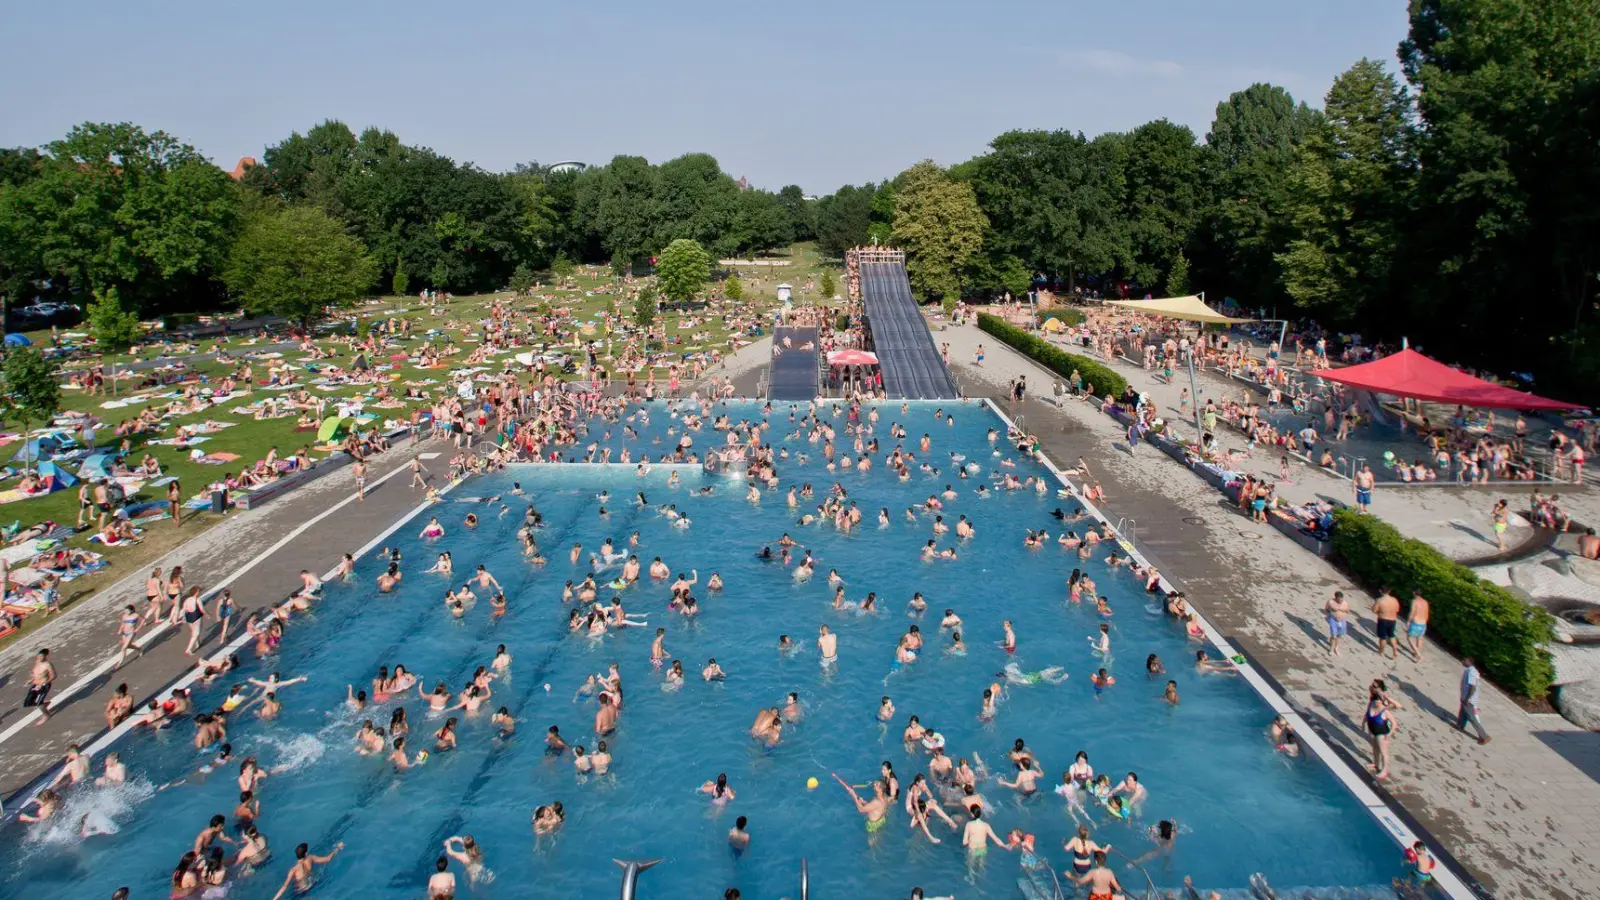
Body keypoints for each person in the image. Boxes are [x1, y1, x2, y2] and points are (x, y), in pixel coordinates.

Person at [271, 841, 344, 900]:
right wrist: (337, 848)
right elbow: (328, 859)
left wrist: (274, 899)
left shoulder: (293, 870)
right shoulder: (311, 858)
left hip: (301, 892)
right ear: (306, 854)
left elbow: (284, 886)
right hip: (313, 884)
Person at [1365, 679, 1403, 780]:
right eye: (1372, 685)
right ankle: (1376, 764)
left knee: (1383, 750)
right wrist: (1364, 721)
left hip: (1382, 724)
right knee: (1375, 748)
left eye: (1374, 686)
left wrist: (1388, 699)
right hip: (1373, 724)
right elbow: (1368, 709)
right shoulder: (1373, 695)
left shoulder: (1384, 698)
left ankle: (1385, 770)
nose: (1372, 687)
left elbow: (1398, 706)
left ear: (1379, 688)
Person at [1457, 657, 1491, 745]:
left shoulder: (1471, 672)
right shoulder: (1469, 670)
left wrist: (1467, 699)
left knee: (1471, 717)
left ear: (1470, 662)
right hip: (1465, 697)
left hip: (1469, 699)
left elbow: (1472, 687)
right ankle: (1459, 726)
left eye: (1465, 660)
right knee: (1463, 711)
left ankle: (1484, 736)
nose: (1463, 661)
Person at [25, 648, 55, 723]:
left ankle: (47, 715)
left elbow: (54, 676)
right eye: (39, 656)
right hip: (36, 684)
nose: (40, 658)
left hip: (44, 685)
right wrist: (30, 680)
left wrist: (43, 684)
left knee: (38, 703)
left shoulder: (48, 665)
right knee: (28, 702)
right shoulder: (37, 663)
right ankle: (45, 704)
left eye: (42, 656)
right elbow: (36, 674)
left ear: (45, 656)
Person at [1371, 588, 1401, 660]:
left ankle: (1381, 652)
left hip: (1383, 620)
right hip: (1393, 620)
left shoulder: (1379, 600)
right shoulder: (1394, 600)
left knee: (1383, 637)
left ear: (1380, 591)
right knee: (1392, 635)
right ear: (1389, 591)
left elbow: (1374, 610)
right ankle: (1395, 651)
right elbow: (1397, 609)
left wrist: (1379, 612)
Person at [1405, 588, 1430, 661]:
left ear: (1413, 593)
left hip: (1416, 622)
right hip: (1423, 622)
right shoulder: (1425, 602)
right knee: (1419, 638)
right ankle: (1416, 653)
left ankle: (1418, 654)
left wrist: (1408, 621)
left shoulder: (1414, 601)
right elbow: (1427, 612)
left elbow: (1412, 612)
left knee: (1409, 638)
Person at [1324, 590, 1350, 657]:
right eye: (1339, 600)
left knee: (1339, 636)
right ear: (1336, 598)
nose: (1341, 601)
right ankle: (1331, 649)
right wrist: (1330, 616)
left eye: (1341, 599)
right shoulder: (1330, 602)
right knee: (1334, 636)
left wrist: (1342, 614)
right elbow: (1326, 609)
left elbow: (1347, 611)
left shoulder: (1345, 603)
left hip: (1342, 621)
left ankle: (1336, 647)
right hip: (1333, 620)